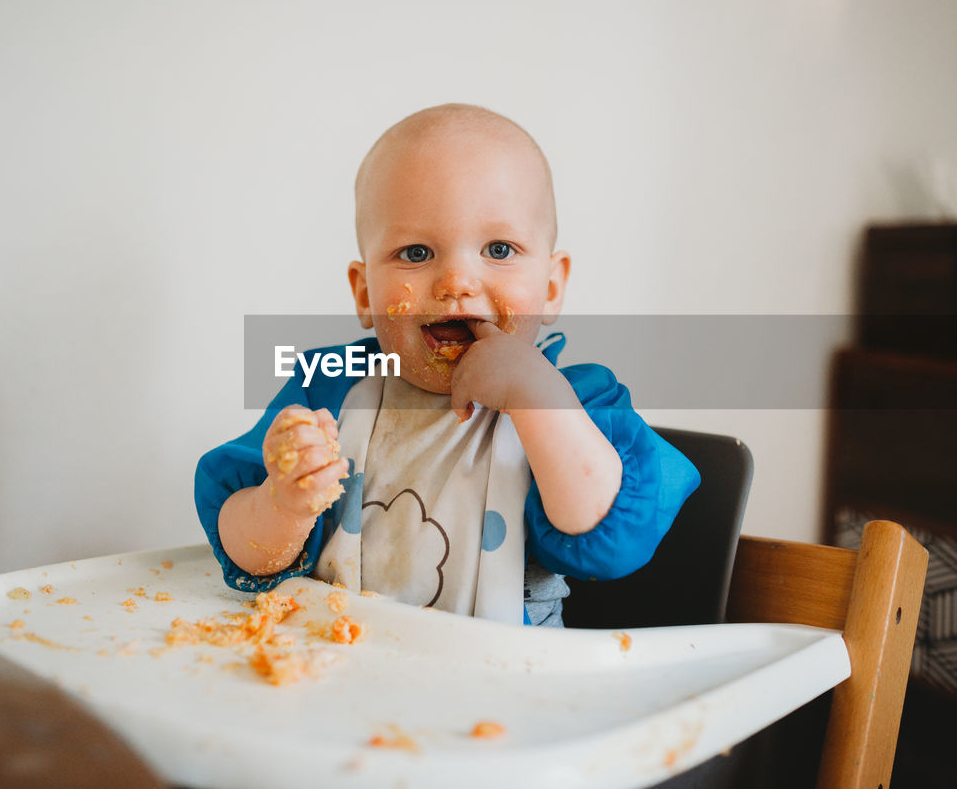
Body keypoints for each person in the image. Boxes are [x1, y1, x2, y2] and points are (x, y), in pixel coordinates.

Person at [196, 103, 699, 626]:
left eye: (499, 249)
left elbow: (613, 545)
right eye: (416, 253)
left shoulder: (576, 404)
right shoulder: (326, 391)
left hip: (501, 689)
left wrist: (536, 399)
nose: (456, 280)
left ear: (550, 289)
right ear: (365, 293)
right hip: (335, 674)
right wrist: (283, 505)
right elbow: (243, 555)